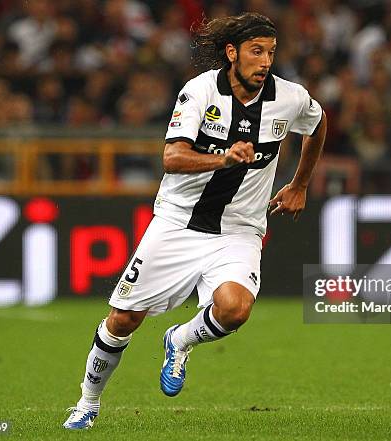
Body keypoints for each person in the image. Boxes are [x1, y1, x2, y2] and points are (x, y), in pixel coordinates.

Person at [63, 12, 327, 430]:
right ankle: (87, 402)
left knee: (236, 309)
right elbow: (171, 157)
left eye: (271, 53)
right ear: (232, 52)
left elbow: (317, 123)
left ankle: (179, 340)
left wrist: (300, 183)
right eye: (256, 51)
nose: (265, 61)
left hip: (240, 229)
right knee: (123, 320)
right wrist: (223, 158)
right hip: (178, 223)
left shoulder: (289, 97)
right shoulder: (201, 91)